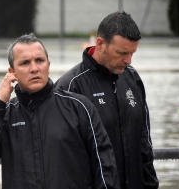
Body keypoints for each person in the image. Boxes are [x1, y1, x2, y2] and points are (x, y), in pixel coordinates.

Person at [0, 33, 120, 189]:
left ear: (48, 65)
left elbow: (104, 165)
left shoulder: (79, 107)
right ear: (12, 72)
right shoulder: (4, 114)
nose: (34, 68)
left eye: (39, 60)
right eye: (25, 63)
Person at [55, 11, 159, 189]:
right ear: (100, 44)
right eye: (122, 53)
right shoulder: (70, 86)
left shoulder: (133, 79)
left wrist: (151, 185)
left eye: (132, 53)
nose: (128, 60)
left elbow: (144, 143)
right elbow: (62, 160)